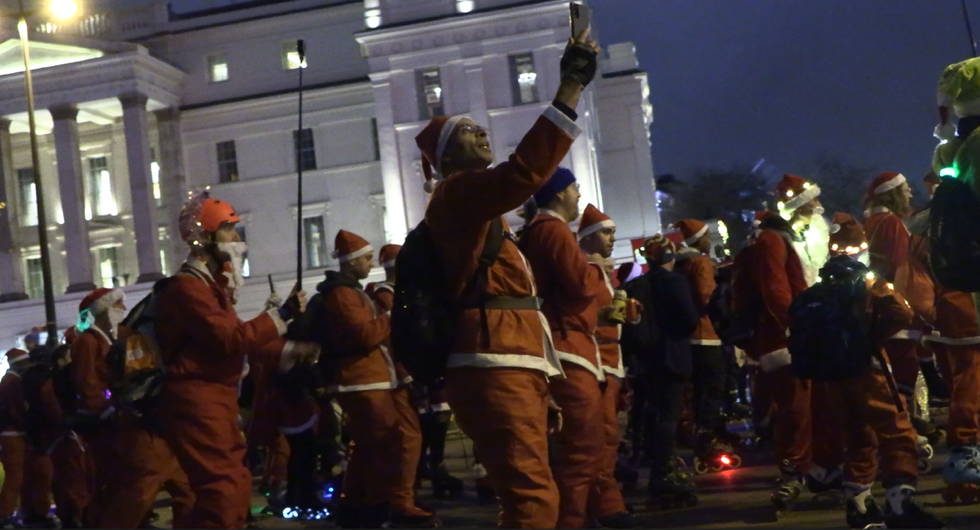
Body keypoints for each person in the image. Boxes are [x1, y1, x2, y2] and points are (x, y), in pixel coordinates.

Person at [415, 29, 599, 528]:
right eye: (468, 131)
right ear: (448, 159)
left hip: (509, 363)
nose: (482, 133)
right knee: (533, 498)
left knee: (529, 493)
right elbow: (523, 174)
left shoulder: (475, 208)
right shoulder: (458, 194)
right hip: (495, 364)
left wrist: (542, 375)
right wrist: (569, 90)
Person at [156, 192, 315, 528]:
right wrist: (281, 315)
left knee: (230, 485)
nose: (237, 239)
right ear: (205, 238)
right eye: (228, 230)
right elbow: (231, 339)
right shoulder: (189, 289)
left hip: (213, 399)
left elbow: (237, 338)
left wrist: (287, 346)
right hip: (199, 400)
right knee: (223, 489)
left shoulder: (207, 287)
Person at [319, 230, 431, 528]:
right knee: (385, 444)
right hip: (363, 381)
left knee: (369, 447)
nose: (371, 264)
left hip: (370, 380)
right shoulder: (344, 295)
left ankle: (356, 506)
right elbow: (364, 334)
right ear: (351, 261)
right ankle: (377, 507)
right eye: (366, 259)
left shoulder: (350, 292)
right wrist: (394, 316)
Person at [521, 170, 607, 529]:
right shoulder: (552, 230)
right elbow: (577, 284)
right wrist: (595, 268)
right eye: (574, 188)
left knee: (581, 450)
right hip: (569, 349)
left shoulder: (542, 231)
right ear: (558, 194)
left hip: (568, 347)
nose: (578, 196)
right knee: (579, 452)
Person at [622, 235, 699, 505]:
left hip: (647, 359)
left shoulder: (636, 285)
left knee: (655, 415)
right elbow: (689, 318)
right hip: (672, 356)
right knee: (668, 417)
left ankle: (658, 468)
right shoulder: (675, 282)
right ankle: (664, 474)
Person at [578, 204, 638, 528]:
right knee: (602, 438)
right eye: (606, 232)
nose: (613, 238)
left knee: (608, 438)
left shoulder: (600, 272)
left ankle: (604, 507)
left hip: (609, 363)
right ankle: (606, 508)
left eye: (613, 232)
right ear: (587, 238)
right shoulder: (585, 271)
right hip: (598, 364)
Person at [671, 219, 728, 458]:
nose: (709, 239)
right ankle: (709, 436)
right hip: (707, 334)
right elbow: (707, 298)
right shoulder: (701, 263)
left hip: (688, 336)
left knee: (698, 389)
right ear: (699, 239)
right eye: (707, 235)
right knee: (715, 386)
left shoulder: (680, 264)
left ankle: (696, 434)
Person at [69, 287, 126, 526]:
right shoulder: (88, 341)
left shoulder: (110, 337)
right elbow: (86, 380)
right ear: (104, 310)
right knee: (102, 473)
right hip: (102, 419)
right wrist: (104, 409)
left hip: (114, 413)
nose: (123, 309)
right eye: (118, 304)